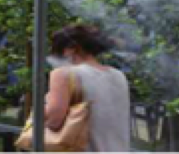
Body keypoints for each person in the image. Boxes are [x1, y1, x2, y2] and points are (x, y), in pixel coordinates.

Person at [45, 24, 130, 152]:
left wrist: (41, 109)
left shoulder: (63, 74)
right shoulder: (119, 75)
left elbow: (54, 120)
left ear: (70, 49)